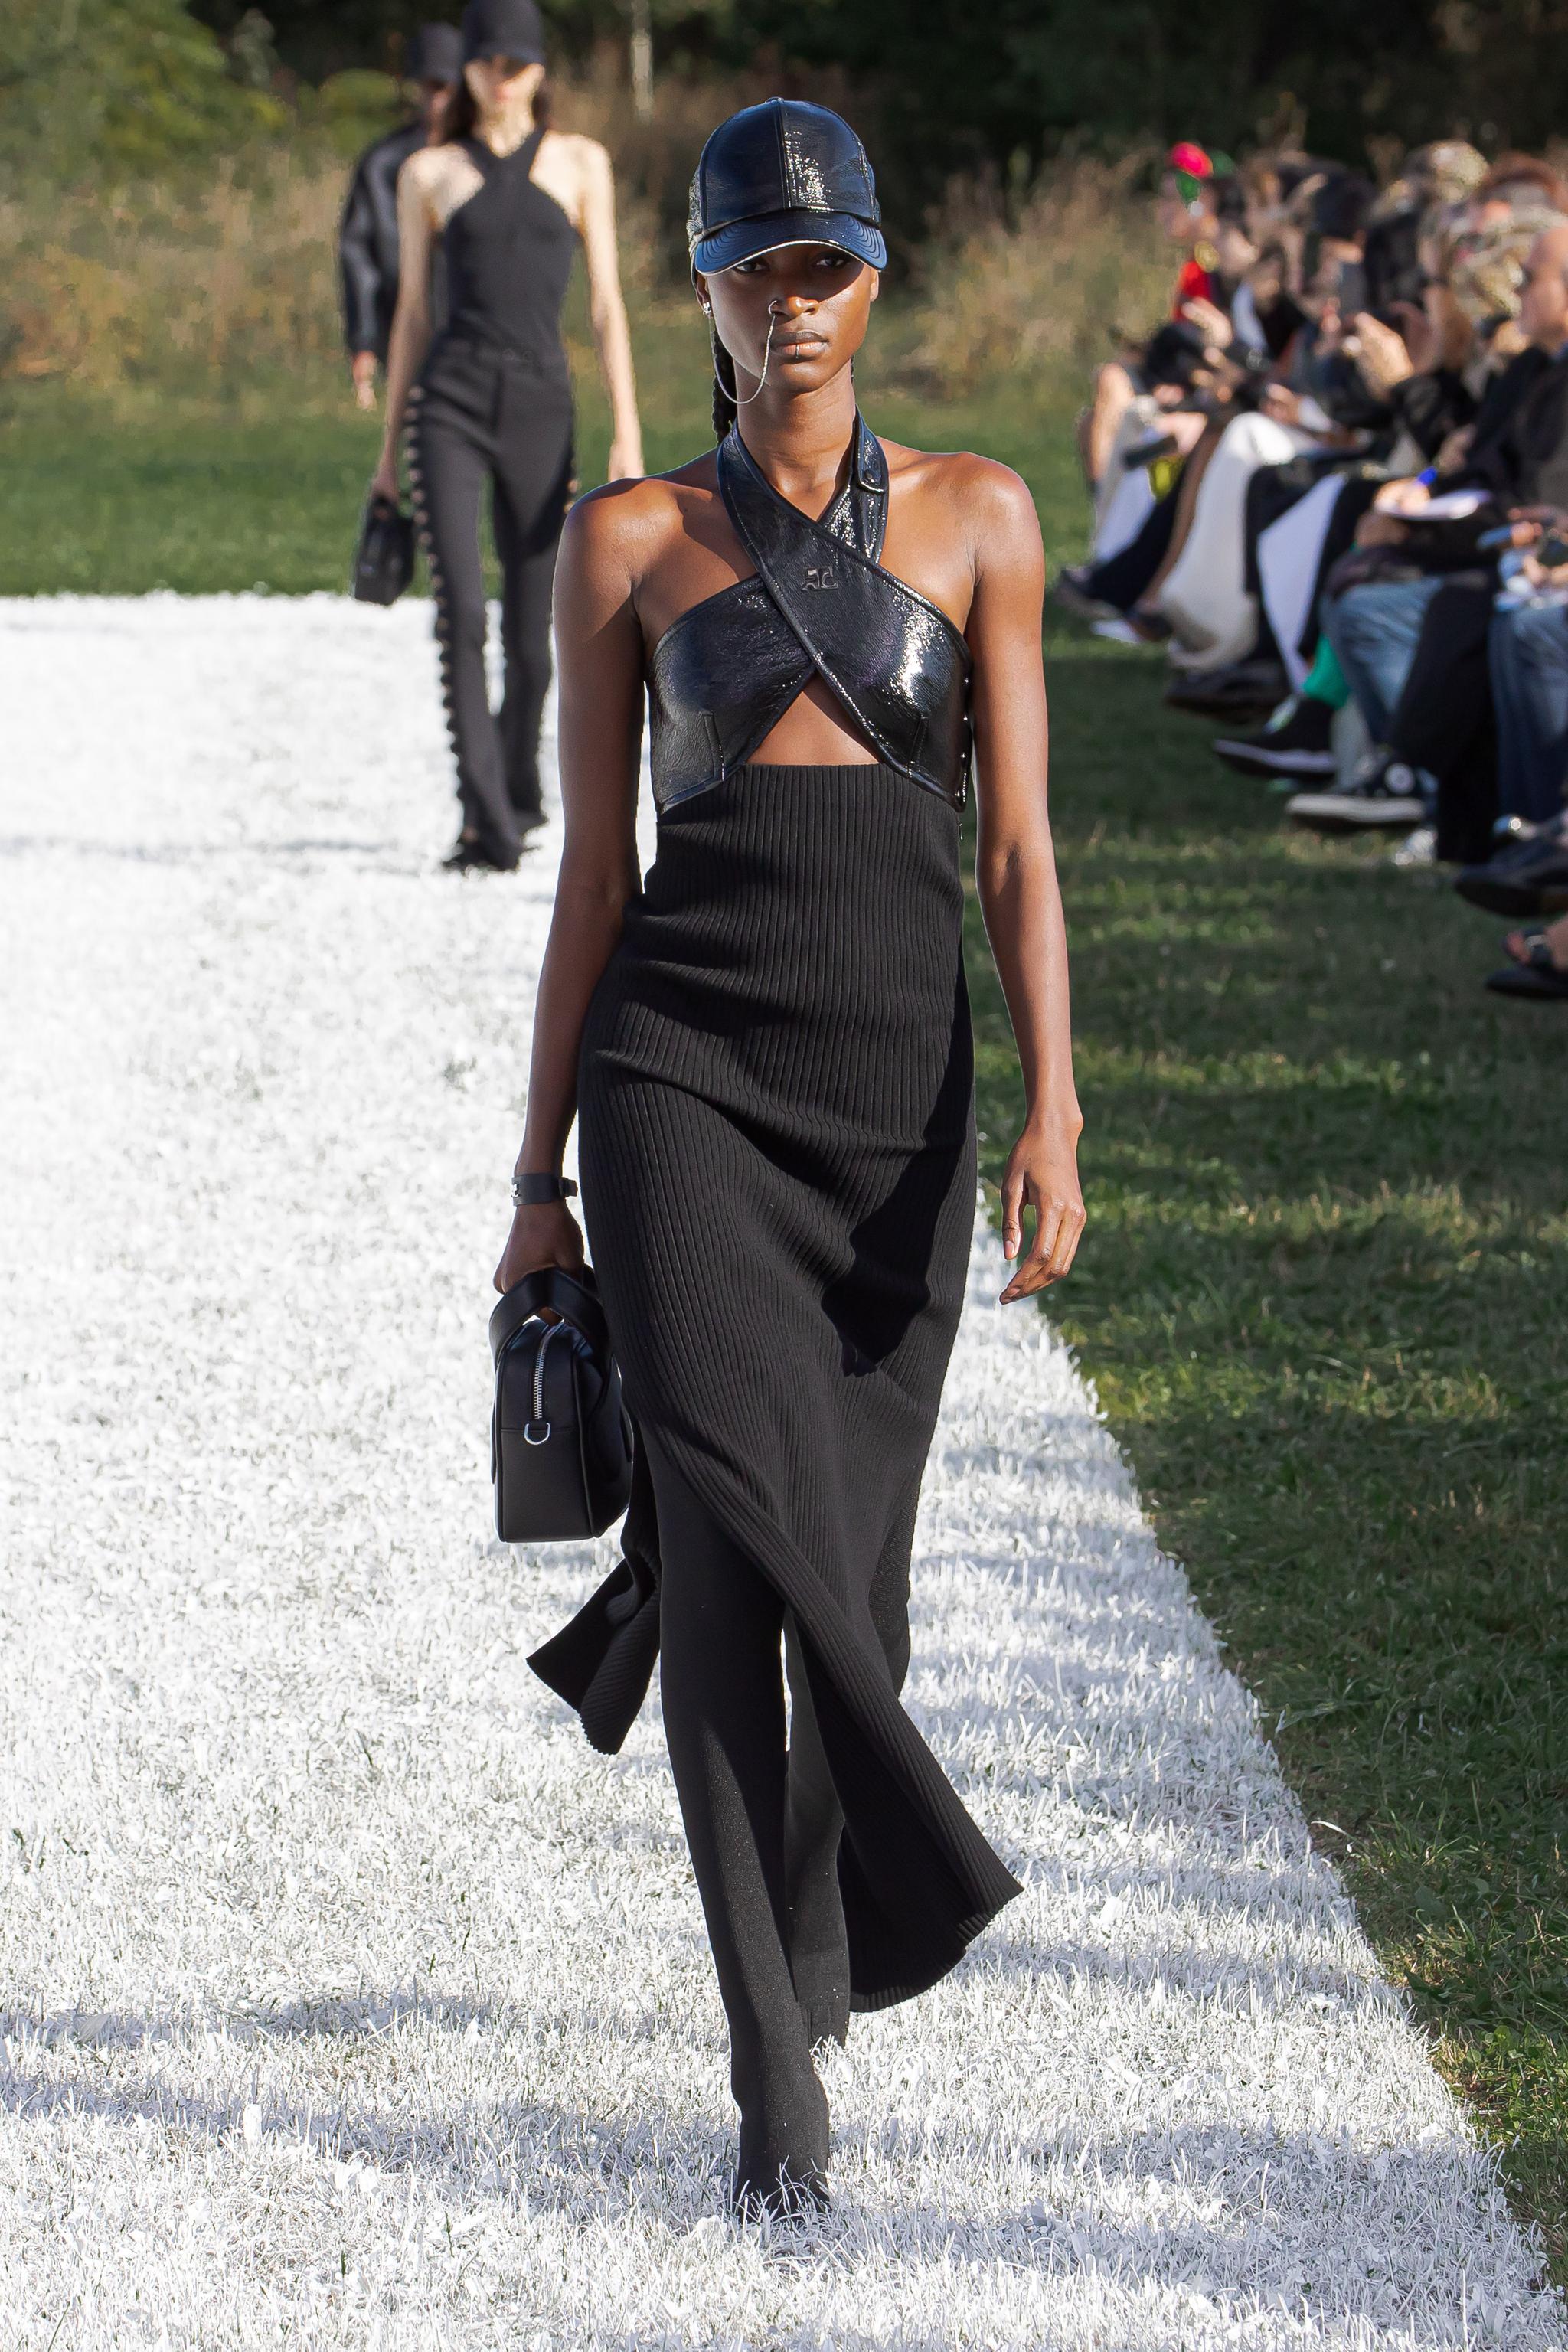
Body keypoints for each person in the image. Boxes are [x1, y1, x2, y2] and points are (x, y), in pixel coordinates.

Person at [492, 98, 1085, 2217]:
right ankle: (778, 2092)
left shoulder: (990, 519)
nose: (791, 303)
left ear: (876, 280)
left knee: (861, 1595)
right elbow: (590, 881)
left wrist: (1056, 1101)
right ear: (708, 296)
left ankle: (828, 1937)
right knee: (738, 1558)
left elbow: (1015, 846)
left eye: (823, 266)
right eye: (754, 268)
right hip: (683, 1089)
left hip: (898, 1117)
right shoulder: (630, 542)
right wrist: (539, 1178)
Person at [371, 0, 644, 873]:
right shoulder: (427, 172)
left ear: (540, 69)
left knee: (534, 630)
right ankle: (483, 819)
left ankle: (521, 796)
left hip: (540, 403)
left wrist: (625, 432)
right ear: (469, 70)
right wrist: (387, 453)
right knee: (458, 612)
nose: (503, 78)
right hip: (446, 403)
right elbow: (411, 315)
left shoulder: (580, 163)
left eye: (518, 63)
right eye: (489, 62)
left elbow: (605, 306)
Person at [338, 23, 462, 413]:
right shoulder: (383, 164)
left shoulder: (487, 164)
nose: (437, 100)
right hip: (408, 331)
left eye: (445, 88)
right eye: (429, 87)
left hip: (479, 336)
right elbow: (359, 255)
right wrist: (364, 340)